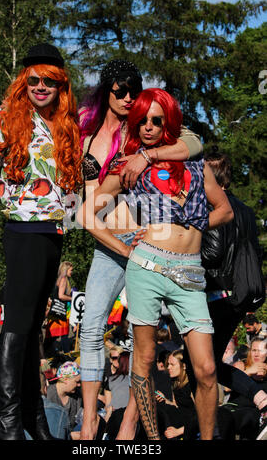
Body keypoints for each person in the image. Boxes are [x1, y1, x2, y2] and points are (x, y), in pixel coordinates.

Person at [79, 87, 234, 439]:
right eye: (141, 121)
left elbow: (224, 210)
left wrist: (191, 224)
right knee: (145, 362)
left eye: (156, 120)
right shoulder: (128, 167)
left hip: (190, 272)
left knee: (207, 368)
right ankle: (151, 441)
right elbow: (87, 213)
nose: (148, 127)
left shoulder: (194, 164)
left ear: (167, 123)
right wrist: (123, 248)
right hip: (146, 265)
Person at [0, 43, 82, 440]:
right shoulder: (5, 117)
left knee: (34, 327)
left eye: (49, 80)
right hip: (21, 228)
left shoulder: (67, 123)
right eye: (33, 79)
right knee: (16, 324)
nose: (40, 86)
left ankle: (33, 417)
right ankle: (7, 420)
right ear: (24, 80)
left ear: (60, 84)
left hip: (55, 232)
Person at [190, 147, 267, 440]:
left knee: (200, 367)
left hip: (214, 296)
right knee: (208, 366)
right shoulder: (246, 210)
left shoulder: (211, 206)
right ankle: (258, 400)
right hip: (238, 299)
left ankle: (208, 431)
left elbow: (211, 253)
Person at [218, 338, 267, 440]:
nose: (256, 354)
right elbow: (226, 388)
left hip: (256, 415)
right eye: (254, 350)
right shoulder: (241, 366)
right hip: (234, 408)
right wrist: (248, 371)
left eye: (261, 350)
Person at [155, 349, 198, 440]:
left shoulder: (192, 385)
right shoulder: (175, 382)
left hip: (192, 427)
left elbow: (202, 416)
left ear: (184, 366)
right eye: (168, 364)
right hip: (181, 422)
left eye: (172, 365)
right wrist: (165, 400)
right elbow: (177, 406)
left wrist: (178, 431)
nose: (168, 367)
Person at [46, 361, 83, 439]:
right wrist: (70, 436)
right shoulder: (48, 395)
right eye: (77, 382)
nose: (79, 385)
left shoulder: (77, 395)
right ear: (66, 379)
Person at [44, 261, 74, 356]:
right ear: (66, 269)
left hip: (55, 311)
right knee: (62, 334)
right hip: (59, 311)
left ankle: (45, 354)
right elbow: (61, 296)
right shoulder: (64, 279)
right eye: (71, 270)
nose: (72, 272)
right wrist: (73, 298)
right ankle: (66, 355)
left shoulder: (59, 279)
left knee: (53, 335)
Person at [104, 351, 130, 421]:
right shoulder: (138, 381)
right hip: (131, 418)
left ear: (119, 363)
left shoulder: (111, 380)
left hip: (114, 418)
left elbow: (108, 407)